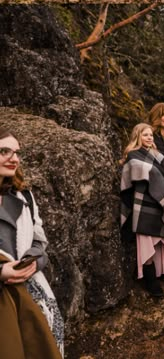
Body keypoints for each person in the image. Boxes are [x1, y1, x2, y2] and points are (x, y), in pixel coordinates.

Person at [0, 128, 63, 359]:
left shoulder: (23, 196)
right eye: (4, 151)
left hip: (30, 291)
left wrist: (35, 261)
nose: (14, 158)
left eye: (16, 152)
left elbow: (39, 239)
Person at [120, 123, 164, 298]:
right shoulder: (133, 155)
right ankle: (150, 281)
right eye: (145, 135)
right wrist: (161, 176)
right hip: (144, 204)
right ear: (138, 136)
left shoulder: (157, 155)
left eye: (151, 135)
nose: (149, 138)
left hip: (161, 204)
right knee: (146, 245)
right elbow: (143, 173)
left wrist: (162, 176)